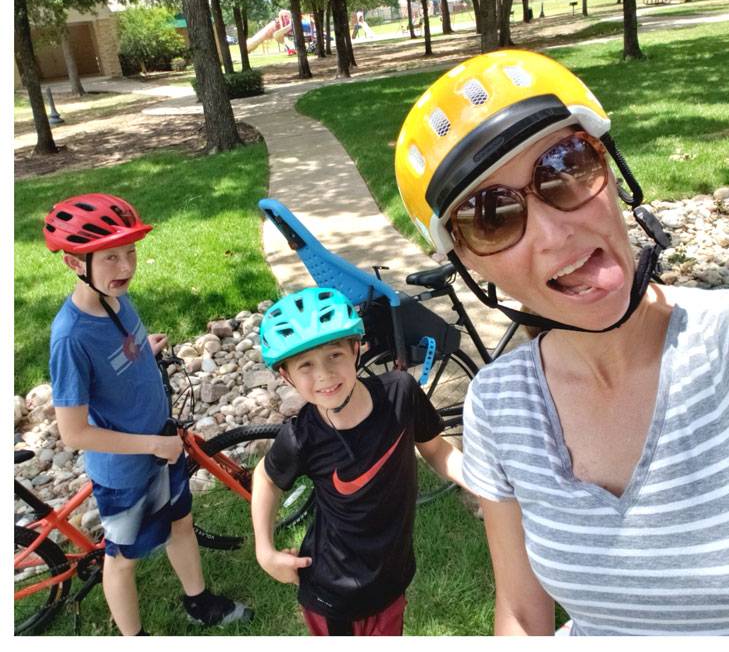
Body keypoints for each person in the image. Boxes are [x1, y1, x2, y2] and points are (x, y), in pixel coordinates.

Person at [394, 50, 729, 635]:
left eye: (565, 165)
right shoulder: (498, 407)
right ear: (465, 261)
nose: (554, 231)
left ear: (613, 171)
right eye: (491, 216)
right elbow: (521, 609)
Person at [44, 193, 252, 635]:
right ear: (74, 264)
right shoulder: (71, 337)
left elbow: (117, 358)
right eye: (111, 257)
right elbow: (74, 432)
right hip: (127, 471)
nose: (126, 267)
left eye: (131, 252)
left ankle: (199, 603)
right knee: (122, 559)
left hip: (162, 446)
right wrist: (152, 445)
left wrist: (144, 351)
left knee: (181, 522)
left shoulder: (116, 300)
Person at [250, 287, 466, 636]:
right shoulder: (302, 436)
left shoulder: (400, 393)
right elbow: (267, 478)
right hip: (333, 594)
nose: (323, 375)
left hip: (391, 579)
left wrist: (483, 480)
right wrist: (265, 550)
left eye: (334, 354)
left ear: (356, 348)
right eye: (305, 364)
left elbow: (437, 451)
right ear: (286, 376)